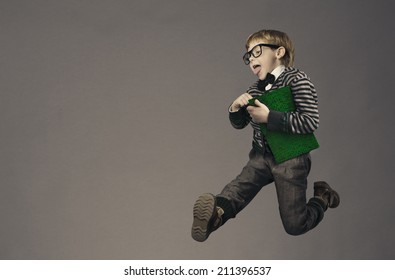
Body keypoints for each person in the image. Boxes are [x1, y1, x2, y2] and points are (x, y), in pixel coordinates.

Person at [191, 29, 340, 242]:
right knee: (239, 187)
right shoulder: (255, 89)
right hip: (261, 156)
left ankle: (323, 197)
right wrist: (234, 108)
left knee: (295, 225)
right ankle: (216, 215)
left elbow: (310, 121)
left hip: (290, 159)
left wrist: (269, 117)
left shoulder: (298, 79)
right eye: (248, 56)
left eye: (257, 52)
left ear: (279, 52)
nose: (251, 59)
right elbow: (241, 123)